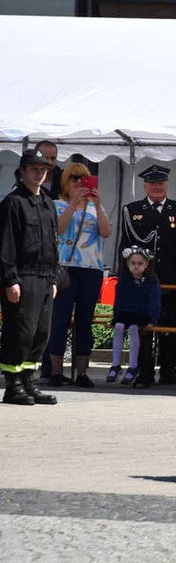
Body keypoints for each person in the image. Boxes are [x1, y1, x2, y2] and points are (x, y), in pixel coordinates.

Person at [119, 164, 176, 388]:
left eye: (160, 183)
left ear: (166, 185)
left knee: (170, 328)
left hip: (172, 279)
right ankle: (144, 372)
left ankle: (168, 371)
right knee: (144, 327)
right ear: (145, 186)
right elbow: (125, 247)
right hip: (143, 281)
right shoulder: (132, 210)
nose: (157, 187)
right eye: (152, 183)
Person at [1, 151, 59, 405]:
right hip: (23, 277)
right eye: (34, 168)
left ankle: (28, 381)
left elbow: (54, 244)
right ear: (22, 170)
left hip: (46, 277)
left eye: (43, 169)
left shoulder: (47, 202)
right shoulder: (14, 202)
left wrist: (54, 279)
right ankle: (12, 385)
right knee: (20, 332)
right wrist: (9, 279)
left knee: (40, 333)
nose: (39, 173)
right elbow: (6, 245)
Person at [47, 162, 112, 388]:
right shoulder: (57, 204)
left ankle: (82, 373)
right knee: (60, 320)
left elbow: (106, 232)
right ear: (65, 181)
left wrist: (98, 205)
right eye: (73, 178)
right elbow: (58, 229)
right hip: (65, 268)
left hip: (91, 269)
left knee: (85, 322)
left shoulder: (95, 207)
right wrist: (73, 205)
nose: (77, 182)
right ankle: (56, 371)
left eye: (82, 178)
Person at [108, 246, 162, 385]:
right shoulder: (124, 278)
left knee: (133, 329)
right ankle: (115, 364)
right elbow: (118, 299)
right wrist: (116, 315)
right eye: (133, 263)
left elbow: (154, 301)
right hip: (126, 312)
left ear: (146, 264)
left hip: (142, 314)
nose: (136, 266)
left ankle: (133, 367)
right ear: (127, 264)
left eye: (140, 263)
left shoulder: (151, 279)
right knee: (119, 327)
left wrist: (153, 319)